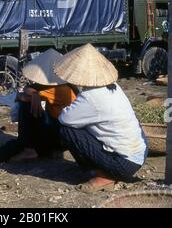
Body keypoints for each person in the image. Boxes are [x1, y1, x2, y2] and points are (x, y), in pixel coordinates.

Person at [53, 44, 148, 193]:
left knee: (67, 131)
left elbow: (64, 119)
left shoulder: (91, 96)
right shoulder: (113, 86)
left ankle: (104, 176)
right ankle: (106, 171)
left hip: (123, 163)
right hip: (137, 155)